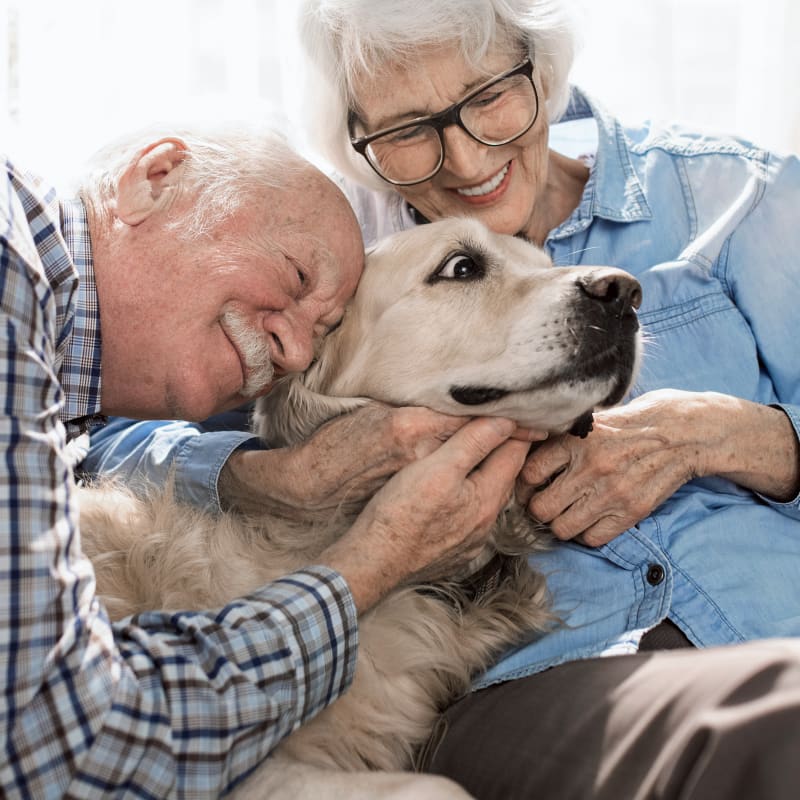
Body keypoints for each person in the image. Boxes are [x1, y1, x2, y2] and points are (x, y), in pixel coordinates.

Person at [80, 1, 800, 796]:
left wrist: (733, 435)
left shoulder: (735, 196)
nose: (463, 158)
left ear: (545, 73)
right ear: (359, 140)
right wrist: (271, 474)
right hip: (558, 669)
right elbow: (105, 428)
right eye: (408, 129)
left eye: (491, 95)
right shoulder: (336, 269)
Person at [0, 126, 535, 798]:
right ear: (157, 177)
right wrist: (374, 563)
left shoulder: (48, 394)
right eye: (297, 275)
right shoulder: (9, 265)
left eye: (319, 331)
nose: (292, 350)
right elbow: (58, 740)